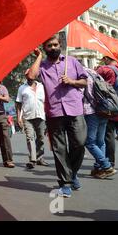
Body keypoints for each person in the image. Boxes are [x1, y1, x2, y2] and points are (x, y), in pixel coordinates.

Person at [28, 35, 88, 198]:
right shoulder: (42, 65)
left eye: (55, 45)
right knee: (59, 149)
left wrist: (71, 81)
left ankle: (72, 173)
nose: (53, 48)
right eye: (49, 46)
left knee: (79, 143)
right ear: (45, 48)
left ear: (60, 45)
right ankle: (65, 183)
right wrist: (38, 56)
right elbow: (31, 77)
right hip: (54, 112)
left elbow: (85, 81)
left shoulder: (72, 61)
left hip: (75, 109)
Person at [83, 67, 117, 178]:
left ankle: (106, 166)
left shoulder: (81, 75)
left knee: (89, 142)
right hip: (104, 109)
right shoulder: (94, 73)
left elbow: (81, 94)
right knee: (100, 141)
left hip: (92, 111)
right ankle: (99, 168)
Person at [16, 71, 48, 169]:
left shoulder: (42, 86)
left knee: (41, 138)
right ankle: (33, 159)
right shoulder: (22, 88)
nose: (29, 77)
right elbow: (18, 104)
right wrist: (19, 117)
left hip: (41, 115)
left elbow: (46, 101)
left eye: (31, 75)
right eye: (27, 75)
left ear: (35, 75)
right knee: (30, 137)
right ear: (25, 77)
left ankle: (40, 158)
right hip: (27, 116)